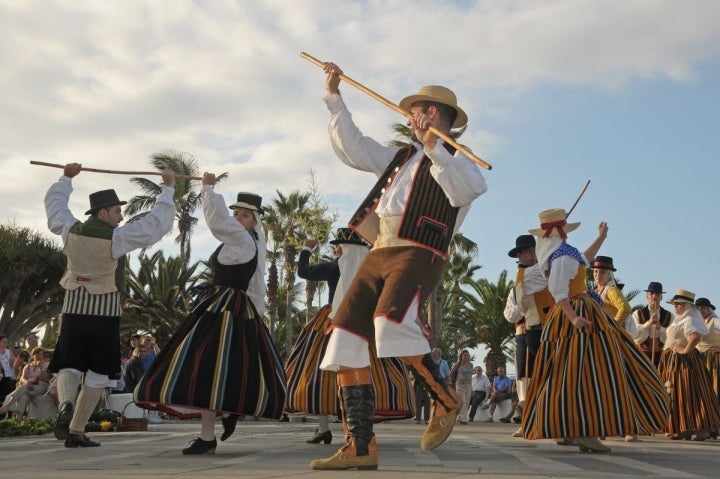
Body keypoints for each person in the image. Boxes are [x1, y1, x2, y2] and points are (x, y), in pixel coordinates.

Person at [310, 62, 488, 471]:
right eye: (415, 111)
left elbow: (467, 190)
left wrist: (434, 147)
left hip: (419, 252)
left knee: (390, 323)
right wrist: (334, 96)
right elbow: (354, 146)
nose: (417, 117)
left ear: (444, 120)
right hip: (381, 251)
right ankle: (359, 446)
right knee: (343, 339)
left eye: (426, 111)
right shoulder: (399, 157)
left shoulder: (459, 161)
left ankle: (445, 399)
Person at [134, 175, 286, 455]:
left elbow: (217, 221)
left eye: (243, 215)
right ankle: (218, 424)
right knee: (213, 370)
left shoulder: (243, 239)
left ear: (254, 221)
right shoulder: (242, 241)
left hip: (227, 309)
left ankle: (214, 429)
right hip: (223, 307)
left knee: (209, 368)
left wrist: (208, 189)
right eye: (236, 214)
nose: (237, 218)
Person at [44, 163, 176, 448]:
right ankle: (77, 430)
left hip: (73, 305)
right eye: (117, 210)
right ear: (102, 213)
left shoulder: (69, 229)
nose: (121, 215)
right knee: (98, 372)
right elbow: (155, 226)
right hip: (104, 310)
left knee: (67, 362)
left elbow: (55, 206)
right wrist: (167, 189)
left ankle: (67, 404)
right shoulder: (117, 237)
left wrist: (66, 178)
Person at [522, 208, 670, 453]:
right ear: (560, 232)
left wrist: (601, 237)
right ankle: (585, 431)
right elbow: (559, 293)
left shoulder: (564, 254)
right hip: (577, 315)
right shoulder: (560, 257)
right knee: (589, 372)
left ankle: (571, 429)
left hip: (579, 313)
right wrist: (575, 319)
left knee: (571, 373)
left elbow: (585, 258)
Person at [295, 229, 366, 444]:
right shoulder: (367, 269)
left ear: (343, 248)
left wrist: (307, 248)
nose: (335, 249)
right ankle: (357, 427)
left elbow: (303, 272)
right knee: (362, 373)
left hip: (333, 321)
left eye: (338, 246)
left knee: (320, 372)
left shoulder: (334, 267)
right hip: (360, 321)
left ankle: (324, 428)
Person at [503, 234, 553, 436]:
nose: (525, 256)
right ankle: (527, 421)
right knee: (525, 377)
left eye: (529, 252)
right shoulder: (517, 285)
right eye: (522, 254)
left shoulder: (546, 272)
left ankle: (547, 419)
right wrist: (521, 311)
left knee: (546, 374)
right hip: (524, 334)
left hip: (546, 329)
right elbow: (510, 314)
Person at [658, 290, 720, 441]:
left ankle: (702, 428)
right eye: (675, 304)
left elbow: (695, 336)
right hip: (673, 361)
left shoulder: (690, 319)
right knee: (680, 394)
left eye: (679, 304)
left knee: (690, 393)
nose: (676, 307)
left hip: (684, 362)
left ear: (687, 306)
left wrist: (684, 350)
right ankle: (684, 427)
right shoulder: (680, 320)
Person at [0, 347, 51, 420]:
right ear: (33, 356)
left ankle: (7, 406)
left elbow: (46, 379)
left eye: (41, 354)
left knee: (24, 388)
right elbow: (22, 378)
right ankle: (18, 420)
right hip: (30, 386)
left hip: (42, 385)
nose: (40, 356)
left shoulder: (46, 364)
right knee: (24, 396)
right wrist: (28, 382)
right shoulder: (28, 366)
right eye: (37, 354)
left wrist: (40, 368)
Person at [631, 282, 673, 367]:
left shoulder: (669, 315)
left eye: (657, 294)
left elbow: (673, 335)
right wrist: (648, 323)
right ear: (647, 296)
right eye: (651, 293)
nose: (654, 296)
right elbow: (634, 334)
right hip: (642, 354)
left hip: (662, 355)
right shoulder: (637, 313)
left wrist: (659, 328)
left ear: (661, 297)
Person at [695, 296, 720, 439]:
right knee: (702, 393)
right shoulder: (698, 322)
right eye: (697, 308)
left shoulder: (716, 321)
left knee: (713, 392)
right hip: (700, 359)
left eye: (702, 307)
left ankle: (713, 427)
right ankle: (705, 426)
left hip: (713, 360)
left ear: (708, 308)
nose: (700, 310)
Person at [591, 256, 632, 327]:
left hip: (609, 335)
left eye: (602, 272)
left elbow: (625, 308)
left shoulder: (611, 290)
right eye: (596, 271)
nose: (598, 275)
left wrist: (613, 326)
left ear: (609, 275)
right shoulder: (593, 292)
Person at [449, 350, 473, 425]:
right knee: (463, 402)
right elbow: (451, 373)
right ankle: (464, 419)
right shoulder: (458, 364)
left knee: (467, 403)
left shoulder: (471, 365)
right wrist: (455, 379)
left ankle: (460, 416)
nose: (466, 357)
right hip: (460, 385)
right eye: (464, 355)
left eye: (467, 355)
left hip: (468, 385)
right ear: (461, 356)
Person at [0, 335, 18, 414]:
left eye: (6, 342)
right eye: (3, 341)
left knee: (7, 395)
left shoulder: (8, 351)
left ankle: (7, 413)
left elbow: (14, 361)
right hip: (0, 376)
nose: (5, 343)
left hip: (8, 376)